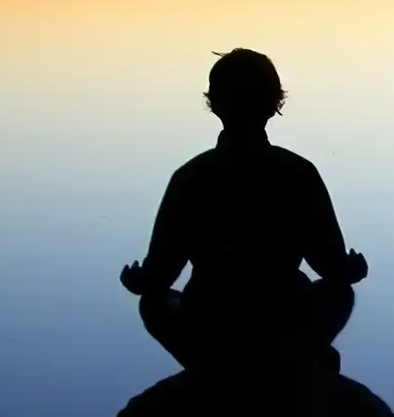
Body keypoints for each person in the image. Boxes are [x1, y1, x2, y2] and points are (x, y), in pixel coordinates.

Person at [120, 49, 368, 371]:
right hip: (286, 315)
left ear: (214, 104)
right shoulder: (298, 172)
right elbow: (330, 267)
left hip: (209, 319)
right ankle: (301, 358)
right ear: (274, 104)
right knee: (339, 293)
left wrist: (138, 279)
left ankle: (209, 368)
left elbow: (160, 274)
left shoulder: (191, 177)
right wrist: (352, 270)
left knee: (155, 304)